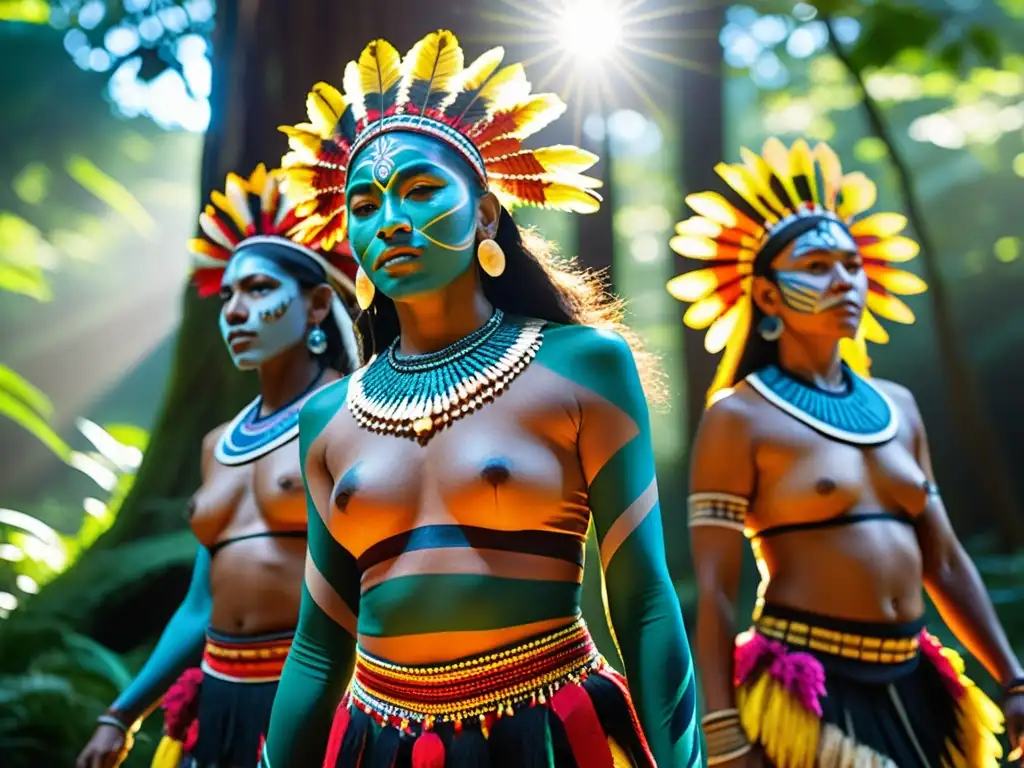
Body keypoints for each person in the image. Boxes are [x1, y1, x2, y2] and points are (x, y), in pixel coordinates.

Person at [259, 29, 701, 768]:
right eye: (364, 204)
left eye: (422, 190)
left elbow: (646, 601)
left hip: (557, 737)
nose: (391, 218)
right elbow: (316, 644)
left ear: (487, 217)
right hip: (378, 747)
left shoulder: (585, 364)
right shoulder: (325, 418)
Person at [668, 136, 1024, 767]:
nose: (844, 280)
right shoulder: (739, 417)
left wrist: (1014, 679)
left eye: (853, 264)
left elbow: (942, 562)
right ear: (768, 297)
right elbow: (717, 590)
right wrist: (721, 731)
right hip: (806, 693)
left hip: (919, 681)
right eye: (817, 266)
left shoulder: (899, 407)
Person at [75, 164, 360, 768]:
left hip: (316, 699)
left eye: (258, 289)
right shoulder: (218, 444)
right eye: (227, 294)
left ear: (315, 306)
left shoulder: (351, 415)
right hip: (216, 696)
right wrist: (120, 714)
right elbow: (199, 606)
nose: (233, 310)